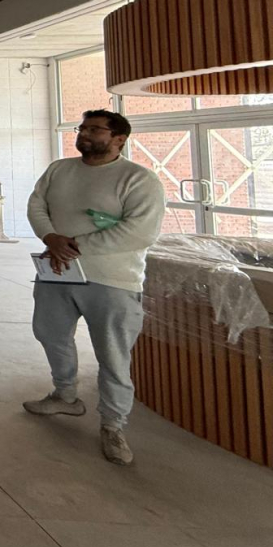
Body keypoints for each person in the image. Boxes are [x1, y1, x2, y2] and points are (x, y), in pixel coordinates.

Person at [25, 109, 165, 466]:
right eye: (82, 128)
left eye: (95, 129)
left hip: (112, 280)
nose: (85, 134)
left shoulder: (138, 179)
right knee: (50, 334)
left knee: (112, 354)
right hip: (57, 273)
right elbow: (37, 205)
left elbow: (139, 232)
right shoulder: (60, 170)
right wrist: (51, 237)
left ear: (119, 138)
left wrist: (72, 245)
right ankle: (65, 396)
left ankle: (113, 424)